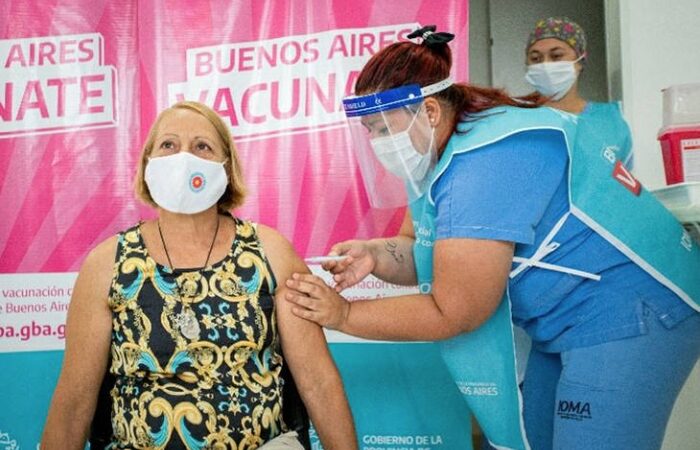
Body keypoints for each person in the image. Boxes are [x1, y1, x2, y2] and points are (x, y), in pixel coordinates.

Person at [283, 25, 700, 450]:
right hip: (564, 320)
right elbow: (427, 254)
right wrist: (374, 254)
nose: (376, 143)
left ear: (429, 111)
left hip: (634, 311)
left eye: (384, 128)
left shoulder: (485, 163)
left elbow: (455, 311)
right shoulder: (440, 154)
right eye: (368, 130)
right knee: (534, 439)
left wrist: (344, 316)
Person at [41, 101, 357, 450]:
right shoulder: (107, 264)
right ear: (148, 164)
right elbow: (74, 403)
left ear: (227, 167)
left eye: (202, 146)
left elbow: (318, 383)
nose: (183, 158)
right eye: (169, 145)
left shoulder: (270, 252)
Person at [525, 16, 633, 168]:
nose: (545, 65)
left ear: (580, 61)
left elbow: (624, 187)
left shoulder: (610, 121)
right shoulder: (520, 122)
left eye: (556, 56)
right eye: (536, 58)